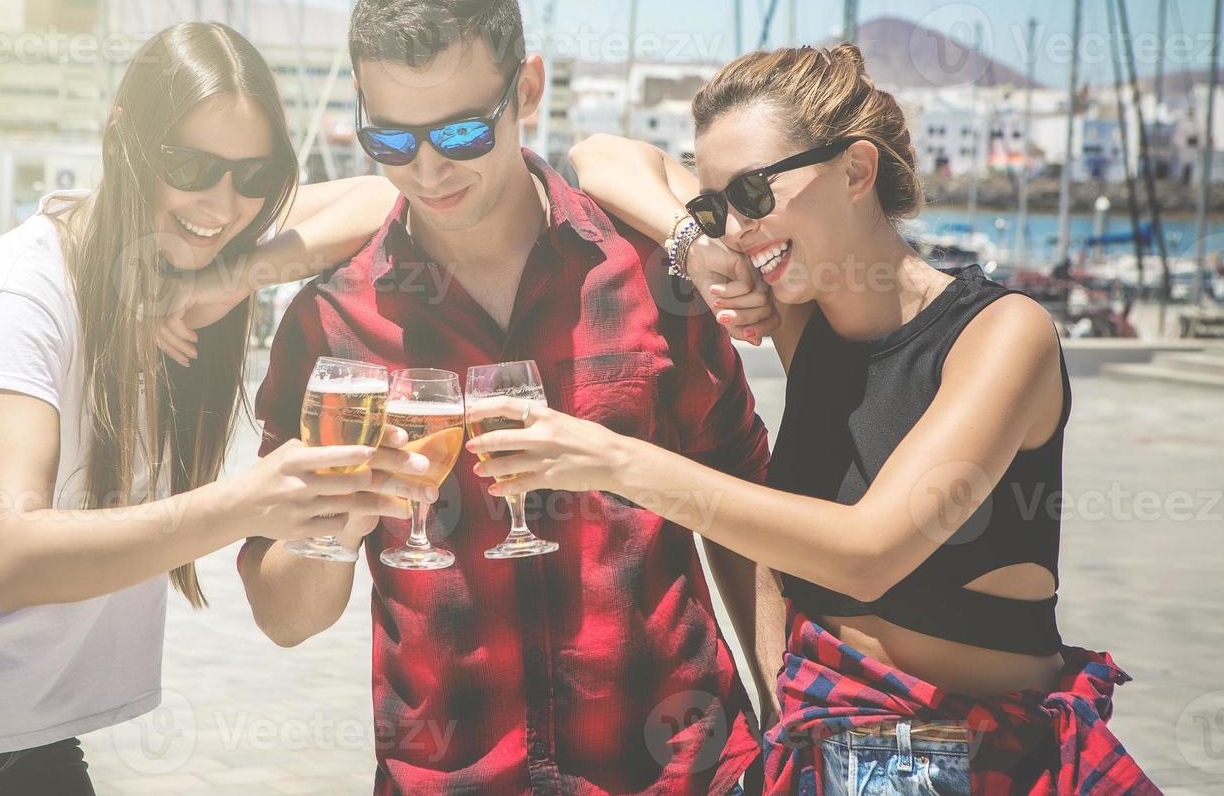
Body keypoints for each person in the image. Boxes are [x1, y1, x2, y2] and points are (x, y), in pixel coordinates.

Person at [0, 22, 434, 796]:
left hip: (23, 734)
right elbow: (11, 555)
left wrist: (230, 281)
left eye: (256, 175)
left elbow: (384, 190)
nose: (223, 202)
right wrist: (243, 502)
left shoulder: (181, 265)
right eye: (190, 165)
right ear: (126, 141)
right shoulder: (19, 298)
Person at [469, 44, 1159, 793]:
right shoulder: (808, 326)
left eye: (754, 195)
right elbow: (600, 155)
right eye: (716, 206)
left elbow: (869, 552)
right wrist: (693, 247)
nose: (736, 227)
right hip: (818, 746)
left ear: (858, 171)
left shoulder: (1002, 335)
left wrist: (614, 463)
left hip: (971, 755)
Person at [240, 0, 784, 794]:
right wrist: (342, 515)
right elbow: (284, 617)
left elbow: (747, 511)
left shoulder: (648, 271)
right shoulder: (330, 324)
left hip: (683, 775)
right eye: (390, 137)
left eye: (460, 132)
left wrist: (787, 718)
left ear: (527, 91)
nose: (426, 170)